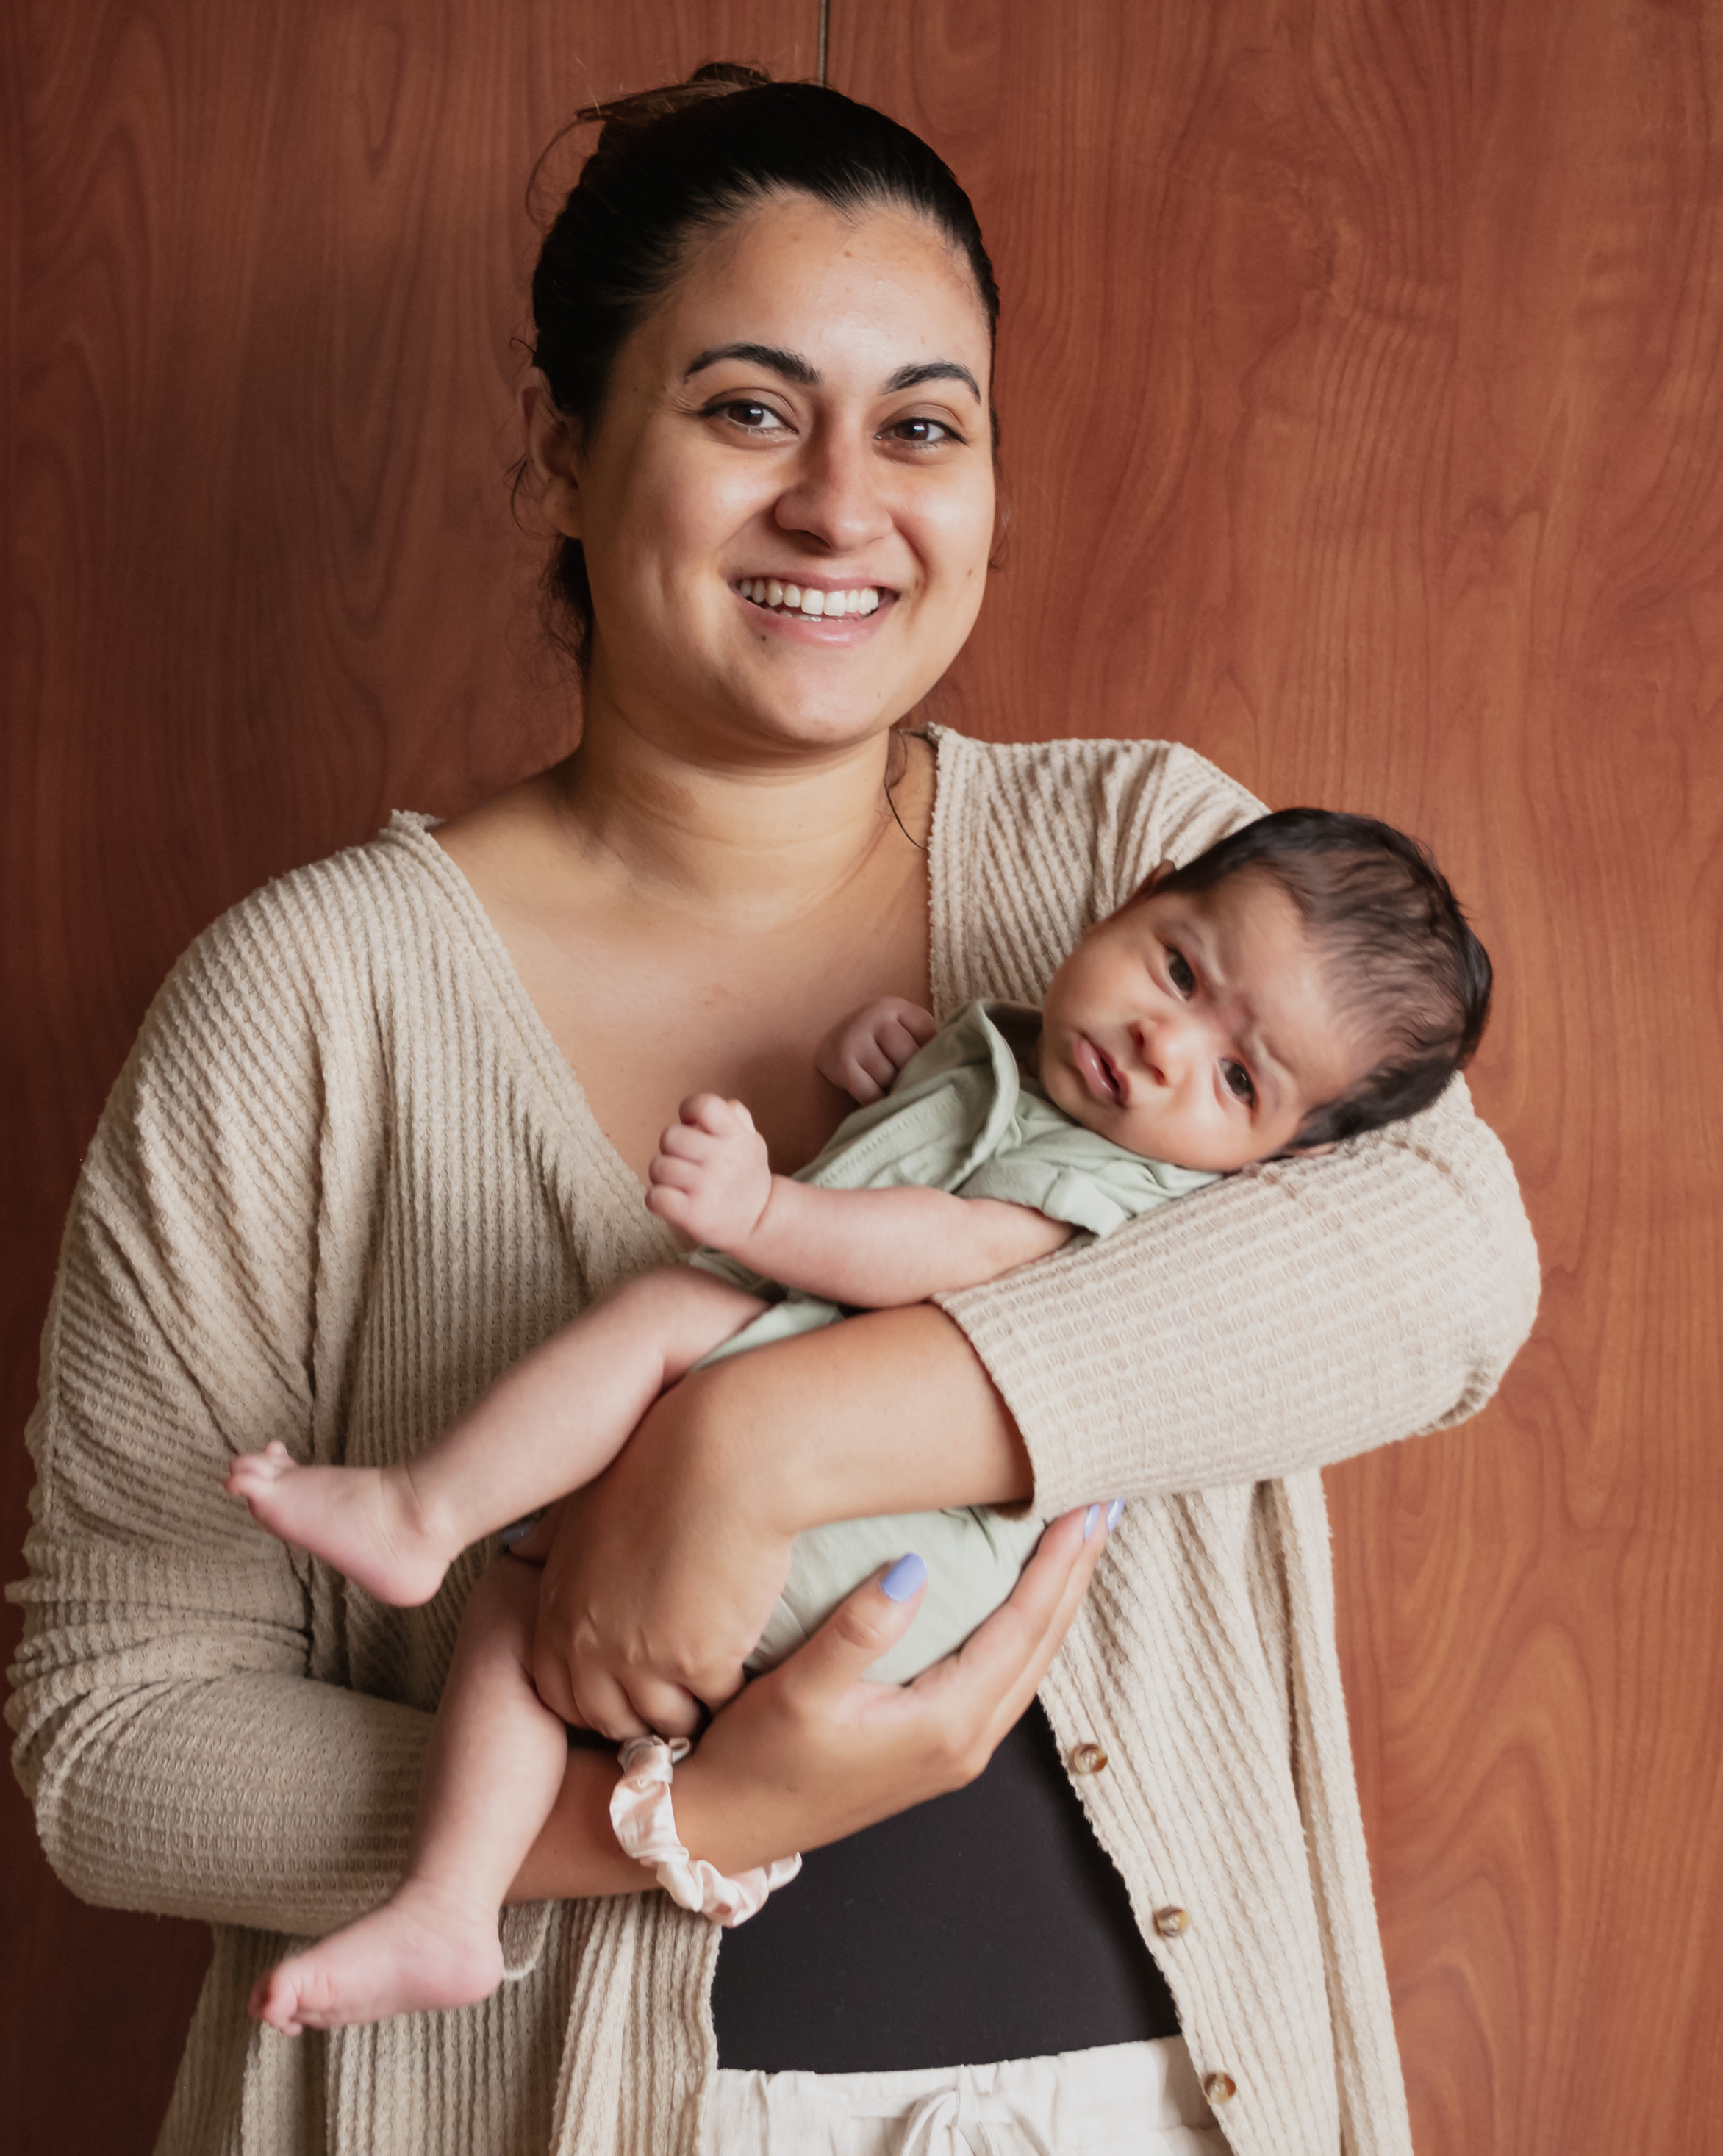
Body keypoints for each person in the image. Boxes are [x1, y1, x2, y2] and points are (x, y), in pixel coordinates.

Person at [6, 63, 1538, 2156]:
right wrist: (668, 1817)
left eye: (922, 424)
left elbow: (1450, 1265)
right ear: (568, 449)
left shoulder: (1154, 865)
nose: (842, 504)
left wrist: (773, 1432)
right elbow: (115, 1744)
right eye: (747, 410)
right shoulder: (307, 1001)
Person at [223, 807, 1491, 2035]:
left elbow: (943, 1241)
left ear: (1276, 1159)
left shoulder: (1120, 1180)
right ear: (1135, 890)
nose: (1166, 1042)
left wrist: (765, 1214)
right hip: (809, 1559)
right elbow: (924, 1163)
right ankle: (447, 1904)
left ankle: (422, 1507)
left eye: (1235, 1078)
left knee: (670, 1308)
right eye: (1178, 967)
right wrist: (896, 1082)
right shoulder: (1010, 1055)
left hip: (879, 1546)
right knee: (515, 1605)